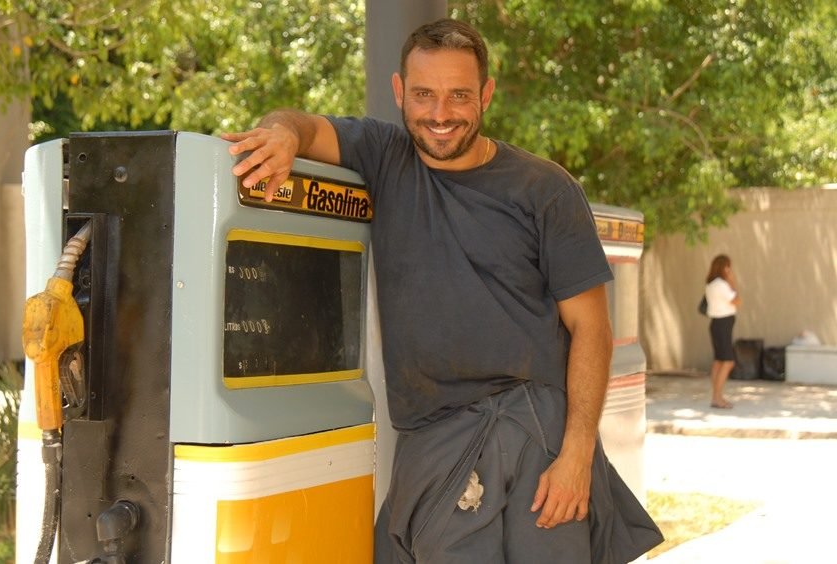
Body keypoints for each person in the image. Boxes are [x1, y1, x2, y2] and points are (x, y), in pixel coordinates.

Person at [223, 18, 662, 563]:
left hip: (540, 437)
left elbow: (591, 327)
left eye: (459, 95)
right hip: (437, 440)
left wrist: (576, 455)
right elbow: (303, 126)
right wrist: (281, 134)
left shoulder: (546, 189)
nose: (440, 113)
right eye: (424, 94)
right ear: (399, 91)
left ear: (486, 95)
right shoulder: (384, 156)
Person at [705, 254, 741, 409]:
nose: (729, 269)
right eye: (728, 266)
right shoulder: (721, 284)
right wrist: (732, 282)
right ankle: (717, 397)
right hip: (723, 324)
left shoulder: (710, 284)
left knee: (719, 361)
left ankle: (717, 396)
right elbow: (737, 301)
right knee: (728, 361)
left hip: (716, 324)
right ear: (724, 267)